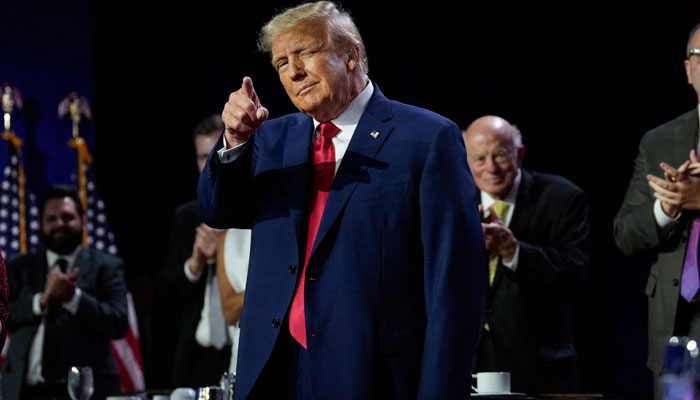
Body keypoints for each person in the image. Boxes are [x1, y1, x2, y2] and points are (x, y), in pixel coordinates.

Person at [197, 2, 486, 399]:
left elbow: (454, 285)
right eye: (281, 63)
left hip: (372, 374)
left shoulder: (426, 139)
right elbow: (218, 210)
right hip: (273, 371)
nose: (294, 71)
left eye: (306, 53)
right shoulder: (269, 140)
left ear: (351, 55)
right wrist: (233, 143)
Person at [463, 116, 589, 394]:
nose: (491, 168)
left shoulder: (562, 198)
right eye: (479, 158)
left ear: (519, 154)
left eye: (500, 156)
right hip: (467, 364)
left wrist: (513, 250)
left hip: (539, 364)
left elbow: (577, 272)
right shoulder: (454, 201)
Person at [614, 22, 700, 392]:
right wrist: (667, 209)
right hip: (675, 322)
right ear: (688, 69)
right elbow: (625, 233)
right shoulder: (661, 140)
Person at [1, 185, 128, 400]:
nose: (59, 224)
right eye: (51, 219)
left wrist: (74, 298)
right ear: (41, 225)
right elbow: (6, 315)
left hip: (85, 391)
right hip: (26, 390)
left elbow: (119, 322)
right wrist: (40, 301)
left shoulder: (107, 266)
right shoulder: (18, 266)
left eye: (67, 217)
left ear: (83, 221)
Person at [157, 115, 246, 388]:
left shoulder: (256, 212)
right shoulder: (187, 217)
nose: (208, 164)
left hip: (245, 348)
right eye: (201, 156)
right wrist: (195, 263)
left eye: (215, 153)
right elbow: (166, 295)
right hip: (199, 358)